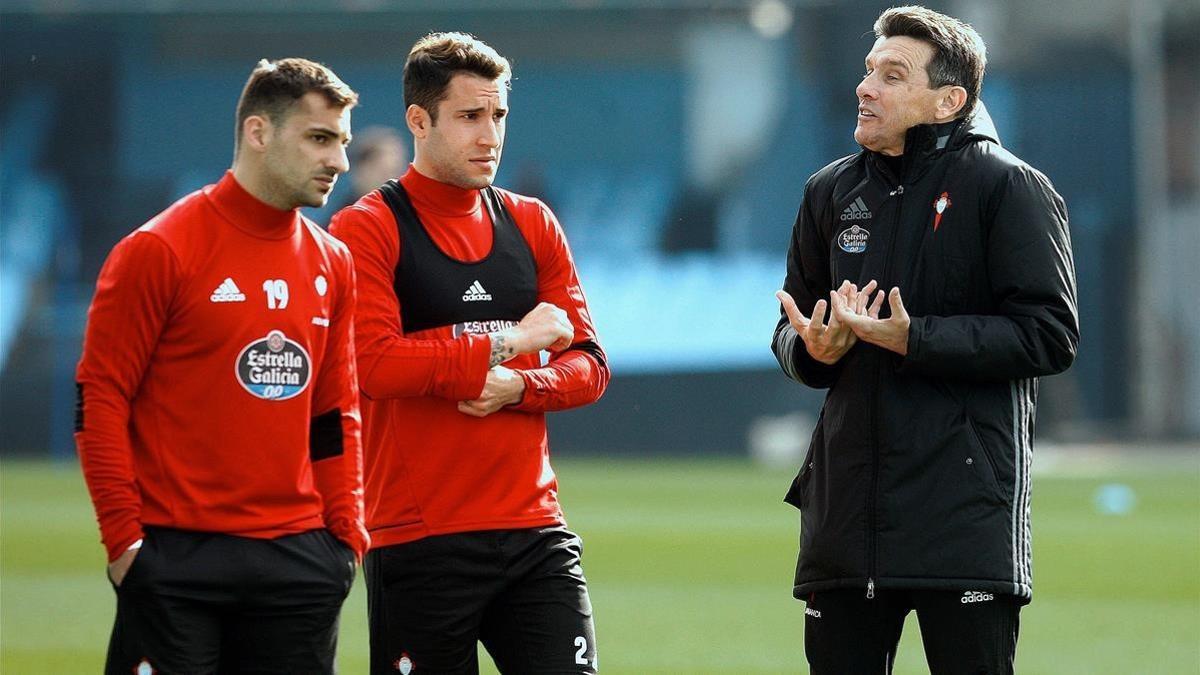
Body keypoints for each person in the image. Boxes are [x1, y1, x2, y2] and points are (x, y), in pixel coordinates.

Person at [771, 6, 1078, 673]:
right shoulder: (829, 191)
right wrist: (809, 351)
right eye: (867, 70)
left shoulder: (1011, 188)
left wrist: (917, 339)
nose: (866, 87)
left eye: (892, 74)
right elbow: (790, 329)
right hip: (846, 520)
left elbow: (1051, 334)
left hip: (961, 518)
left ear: (949, 100)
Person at [75, 57, 368, 674]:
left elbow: (334, 411)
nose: (339, 162)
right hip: (177, 561)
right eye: (319, 138)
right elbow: (100, 399)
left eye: (341, 142)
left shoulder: (333, 262)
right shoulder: (158, 250)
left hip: (300, 561)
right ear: (258, 133)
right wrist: (125, 542)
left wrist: (346, 538)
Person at [329, 32, 609, 675]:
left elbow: (591, 366)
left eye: (498, 115)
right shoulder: (366, 227)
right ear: (419, 122)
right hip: (419, 539)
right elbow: (374, 364)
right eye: (469, 116)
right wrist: (510, 342)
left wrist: (519, 387)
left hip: (536, 531)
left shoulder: (533, 223)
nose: (490, 135)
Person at [337, 125, 410, 210]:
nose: (393, 182)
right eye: (384, 173)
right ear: (360, 172)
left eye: (398, 173)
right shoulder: (346, 218)